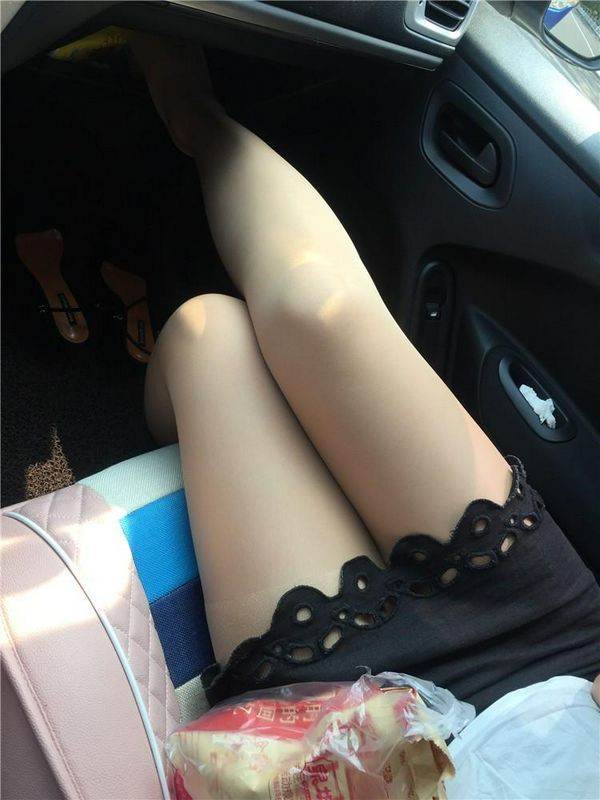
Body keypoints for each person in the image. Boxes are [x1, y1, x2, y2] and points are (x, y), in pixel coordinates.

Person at [133, 34, 600, 714]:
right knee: (314, 306)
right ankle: (194, 116)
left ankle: (181, 424)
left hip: (389, 743)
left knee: (208, 333)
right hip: (555, 656)